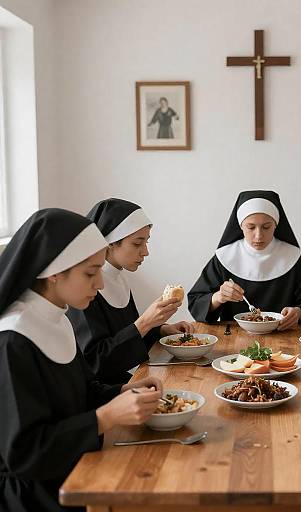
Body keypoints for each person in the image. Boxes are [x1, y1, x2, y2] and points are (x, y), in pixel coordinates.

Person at [0, 208, 163, 512]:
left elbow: (82, 391)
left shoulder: (55, 317)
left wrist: (121, 393)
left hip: (76, 465)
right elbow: (25, 454)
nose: (100, 284)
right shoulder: (13, 341)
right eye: (90, 272)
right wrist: (107, 417)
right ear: (54, 273)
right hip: (36, 497)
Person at [67, 198, 193, 384]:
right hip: (98, 391)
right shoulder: (86, 288)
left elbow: (124, 335)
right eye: (137, 243)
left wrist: (161, 330)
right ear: (109, 243)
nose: (145, 252)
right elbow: (95, 363)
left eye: (146, 242)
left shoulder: (117, 277)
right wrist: (144, 322)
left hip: (119, 380)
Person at [188, 190, 301, 330]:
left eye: (266, 227)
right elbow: (196, 303)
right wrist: (218, 297)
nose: (258, 236)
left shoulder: (293, 257)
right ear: (241, 225)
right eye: (251, 227)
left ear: (276, 225)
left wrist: (299, 313)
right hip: (235, 337)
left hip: (286, 336)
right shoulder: (225, 257)